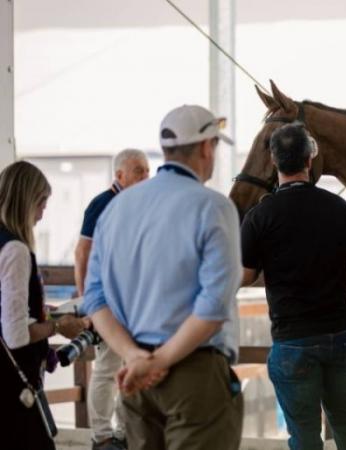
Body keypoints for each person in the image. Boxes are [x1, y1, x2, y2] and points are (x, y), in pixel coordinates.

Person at [82, 105, 243, 450]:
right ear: (205, 148)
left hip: (135, 379)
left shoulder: (116, 209)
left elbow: (95, 297)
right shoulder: (213, 206)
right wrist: (162, 360)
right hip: (194, 373)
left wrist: (135, 357)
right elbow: (214, 304)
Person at [240, 124, 346, 450]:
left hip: (292, 339)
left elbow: (244, 275)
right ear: (309, 159)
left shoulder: (259, 216)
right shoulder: (342, 210)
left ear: (274, 162)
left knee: (304, 435)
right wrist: (344, 291)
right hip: (340, 332)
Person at [0, 161, 86, 450]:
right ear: (27, 201)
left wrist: (42, 311)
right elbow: (15, 334)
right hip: (13, 384)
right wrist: (59, 326)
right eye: (42, 204)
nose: (41, 214)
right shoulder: (15, 250)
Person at [74, 148, 149, 450]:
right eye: (139, 171)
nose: (146, 176)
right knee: (106, 368)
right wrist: (86, 303)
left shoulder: (135, 204)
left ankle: (119, 432)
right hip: (107, 303)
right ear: (119, 175)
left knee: (127, 365)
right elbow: (82, 253)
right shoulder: (102, 203)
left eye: (146, 170)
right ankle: (101, 435)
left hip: (130, 303)